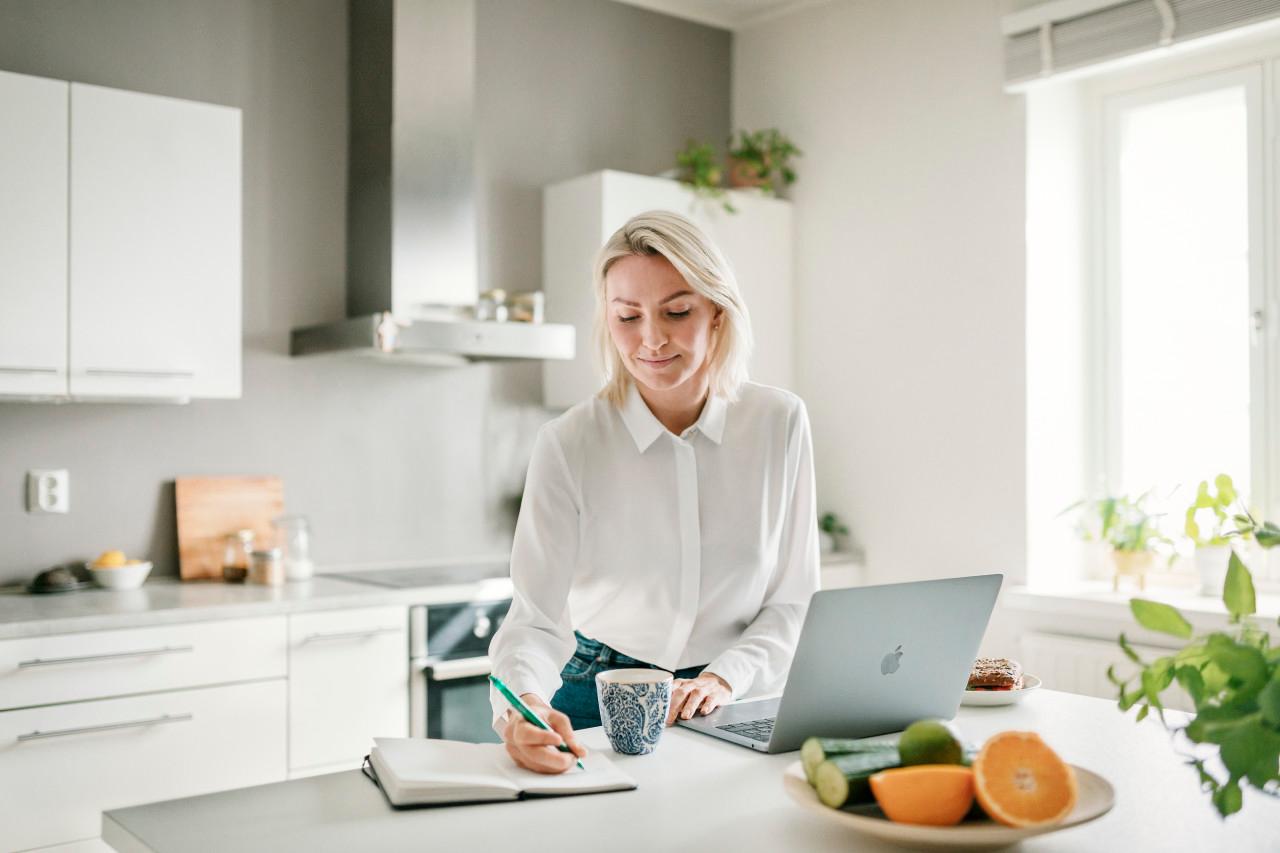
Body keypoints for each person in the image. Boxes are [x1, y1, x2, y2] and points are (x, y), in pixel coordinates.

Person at [489, 210, 819, 774]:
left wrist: (725, 676)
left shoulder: (778, 423)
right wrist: (522, 710)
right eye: (627, 316)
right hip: (593, 693)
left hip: (733, 695)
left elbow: (792, 601)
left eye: (677, 311)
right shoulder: (569, 443)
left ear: (717, 312)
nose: (651, 339)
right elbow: (536, 620)